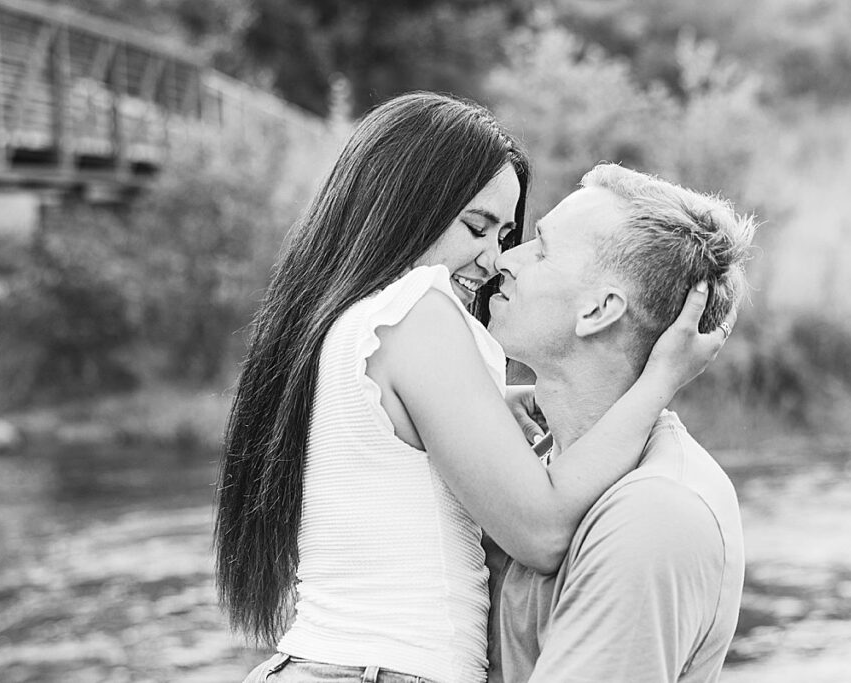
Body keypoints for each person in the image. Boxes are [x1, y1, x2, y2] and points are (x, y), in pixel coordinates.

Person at [215, 93, 731, 683]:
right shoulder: (419, 311)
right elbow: (542, 531)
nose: (495, 259)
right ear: (405, 207)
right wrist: (661, 379)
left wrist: (493, 409)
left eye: (507, 235)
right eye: (477, 227)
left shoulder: (348, 319)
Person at [485, 163, 754, 683]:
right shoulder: (532, 464)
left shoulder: (656, 512)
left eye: (539, 249)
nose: (505, 260)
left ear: (600, 309)